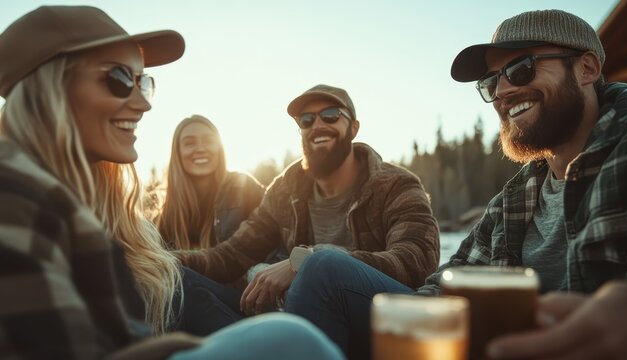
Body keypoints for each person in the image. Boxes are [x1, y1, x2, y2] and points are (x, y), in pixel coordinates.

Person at [283, 9, 627, 360]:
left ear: (587, 68)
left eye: (520, 69)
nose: (501, 91)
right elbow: (446, 286)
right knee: (322, 275)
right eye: (490, 82)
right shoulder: (516, 198)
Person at [0, 6, 344, 360]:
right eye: (119, 79)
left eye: (143, 83)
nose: (142, 104)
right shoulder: (15, 196)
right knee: (290, 341)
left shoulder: (86, 205)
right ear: (50, 89)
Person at [175, 84, 440, 318]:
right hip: (298, 313)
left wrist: (303, 262)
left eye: (330, 116)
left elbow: (416, 261)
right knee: (176, 280)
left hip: (379, 314)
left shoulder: (396, 185)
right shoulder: (285, 189)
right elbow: (231, 255)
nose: (317, 126)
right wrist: (159, 259)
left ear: (354, 128)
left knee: (321, 267)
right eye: (306, 120)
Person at [157, 114, 285, 335]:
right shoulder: (167, 213)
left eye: (208, 140)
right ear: (177, 153)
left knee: (178, 279)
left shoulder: (244, 187)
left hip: (247, 301)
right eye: (189, 143)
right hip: (196, 303)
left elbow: (279, 245)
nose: (200, 148)